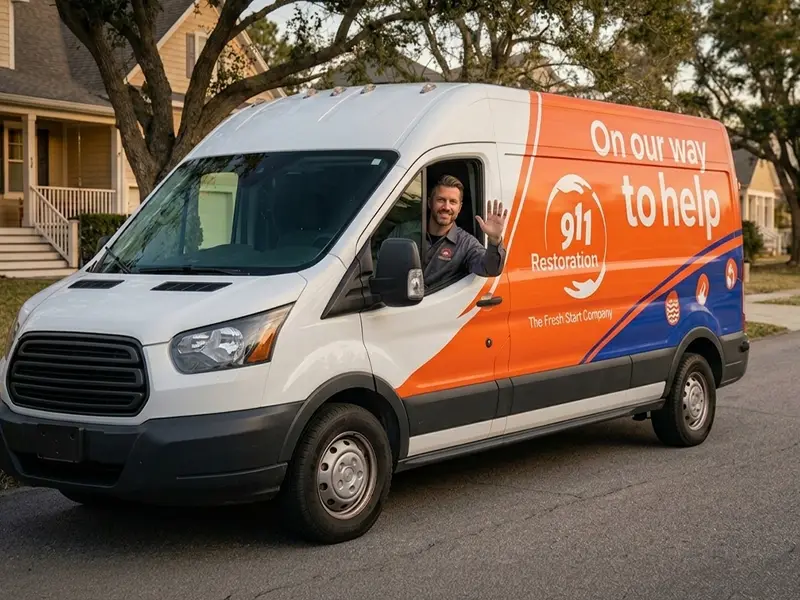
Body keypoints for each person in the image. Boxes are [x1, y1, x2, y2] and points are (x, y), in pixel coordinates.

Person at [388, 174, 508, 291]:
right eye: (441, 200)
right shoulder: (403, 232)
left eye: (453, 202)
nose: (446, 207)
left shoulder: (466, 243)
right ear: (430, 202)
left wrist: (495, 240)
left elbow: (490, 269)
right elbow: (382, 269)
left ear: (459, 208)